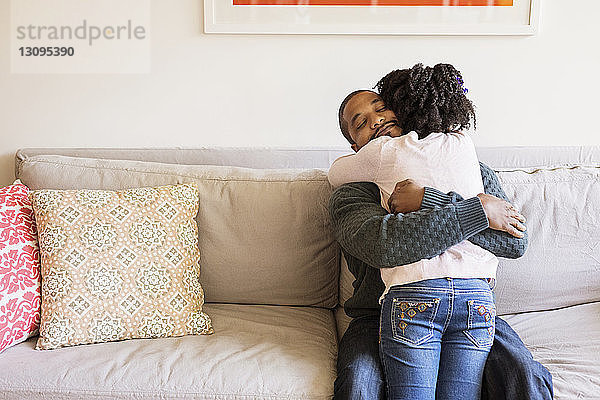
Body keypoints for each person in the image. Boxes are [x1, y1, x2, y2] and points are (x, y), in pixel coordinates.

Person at [330, 64, 554, 399]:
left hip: (471, 303)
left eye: (381, 108)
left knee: (523, 375)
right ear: (355, 148)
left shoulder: (472, 168)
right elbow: (384, 245)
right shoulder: (352, 190)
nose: (375, 120)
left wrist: (431, 201)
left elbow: (513, 241)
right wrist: (479, 211)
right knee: (358, 384)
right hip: (376, 315)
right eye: (360, 123)